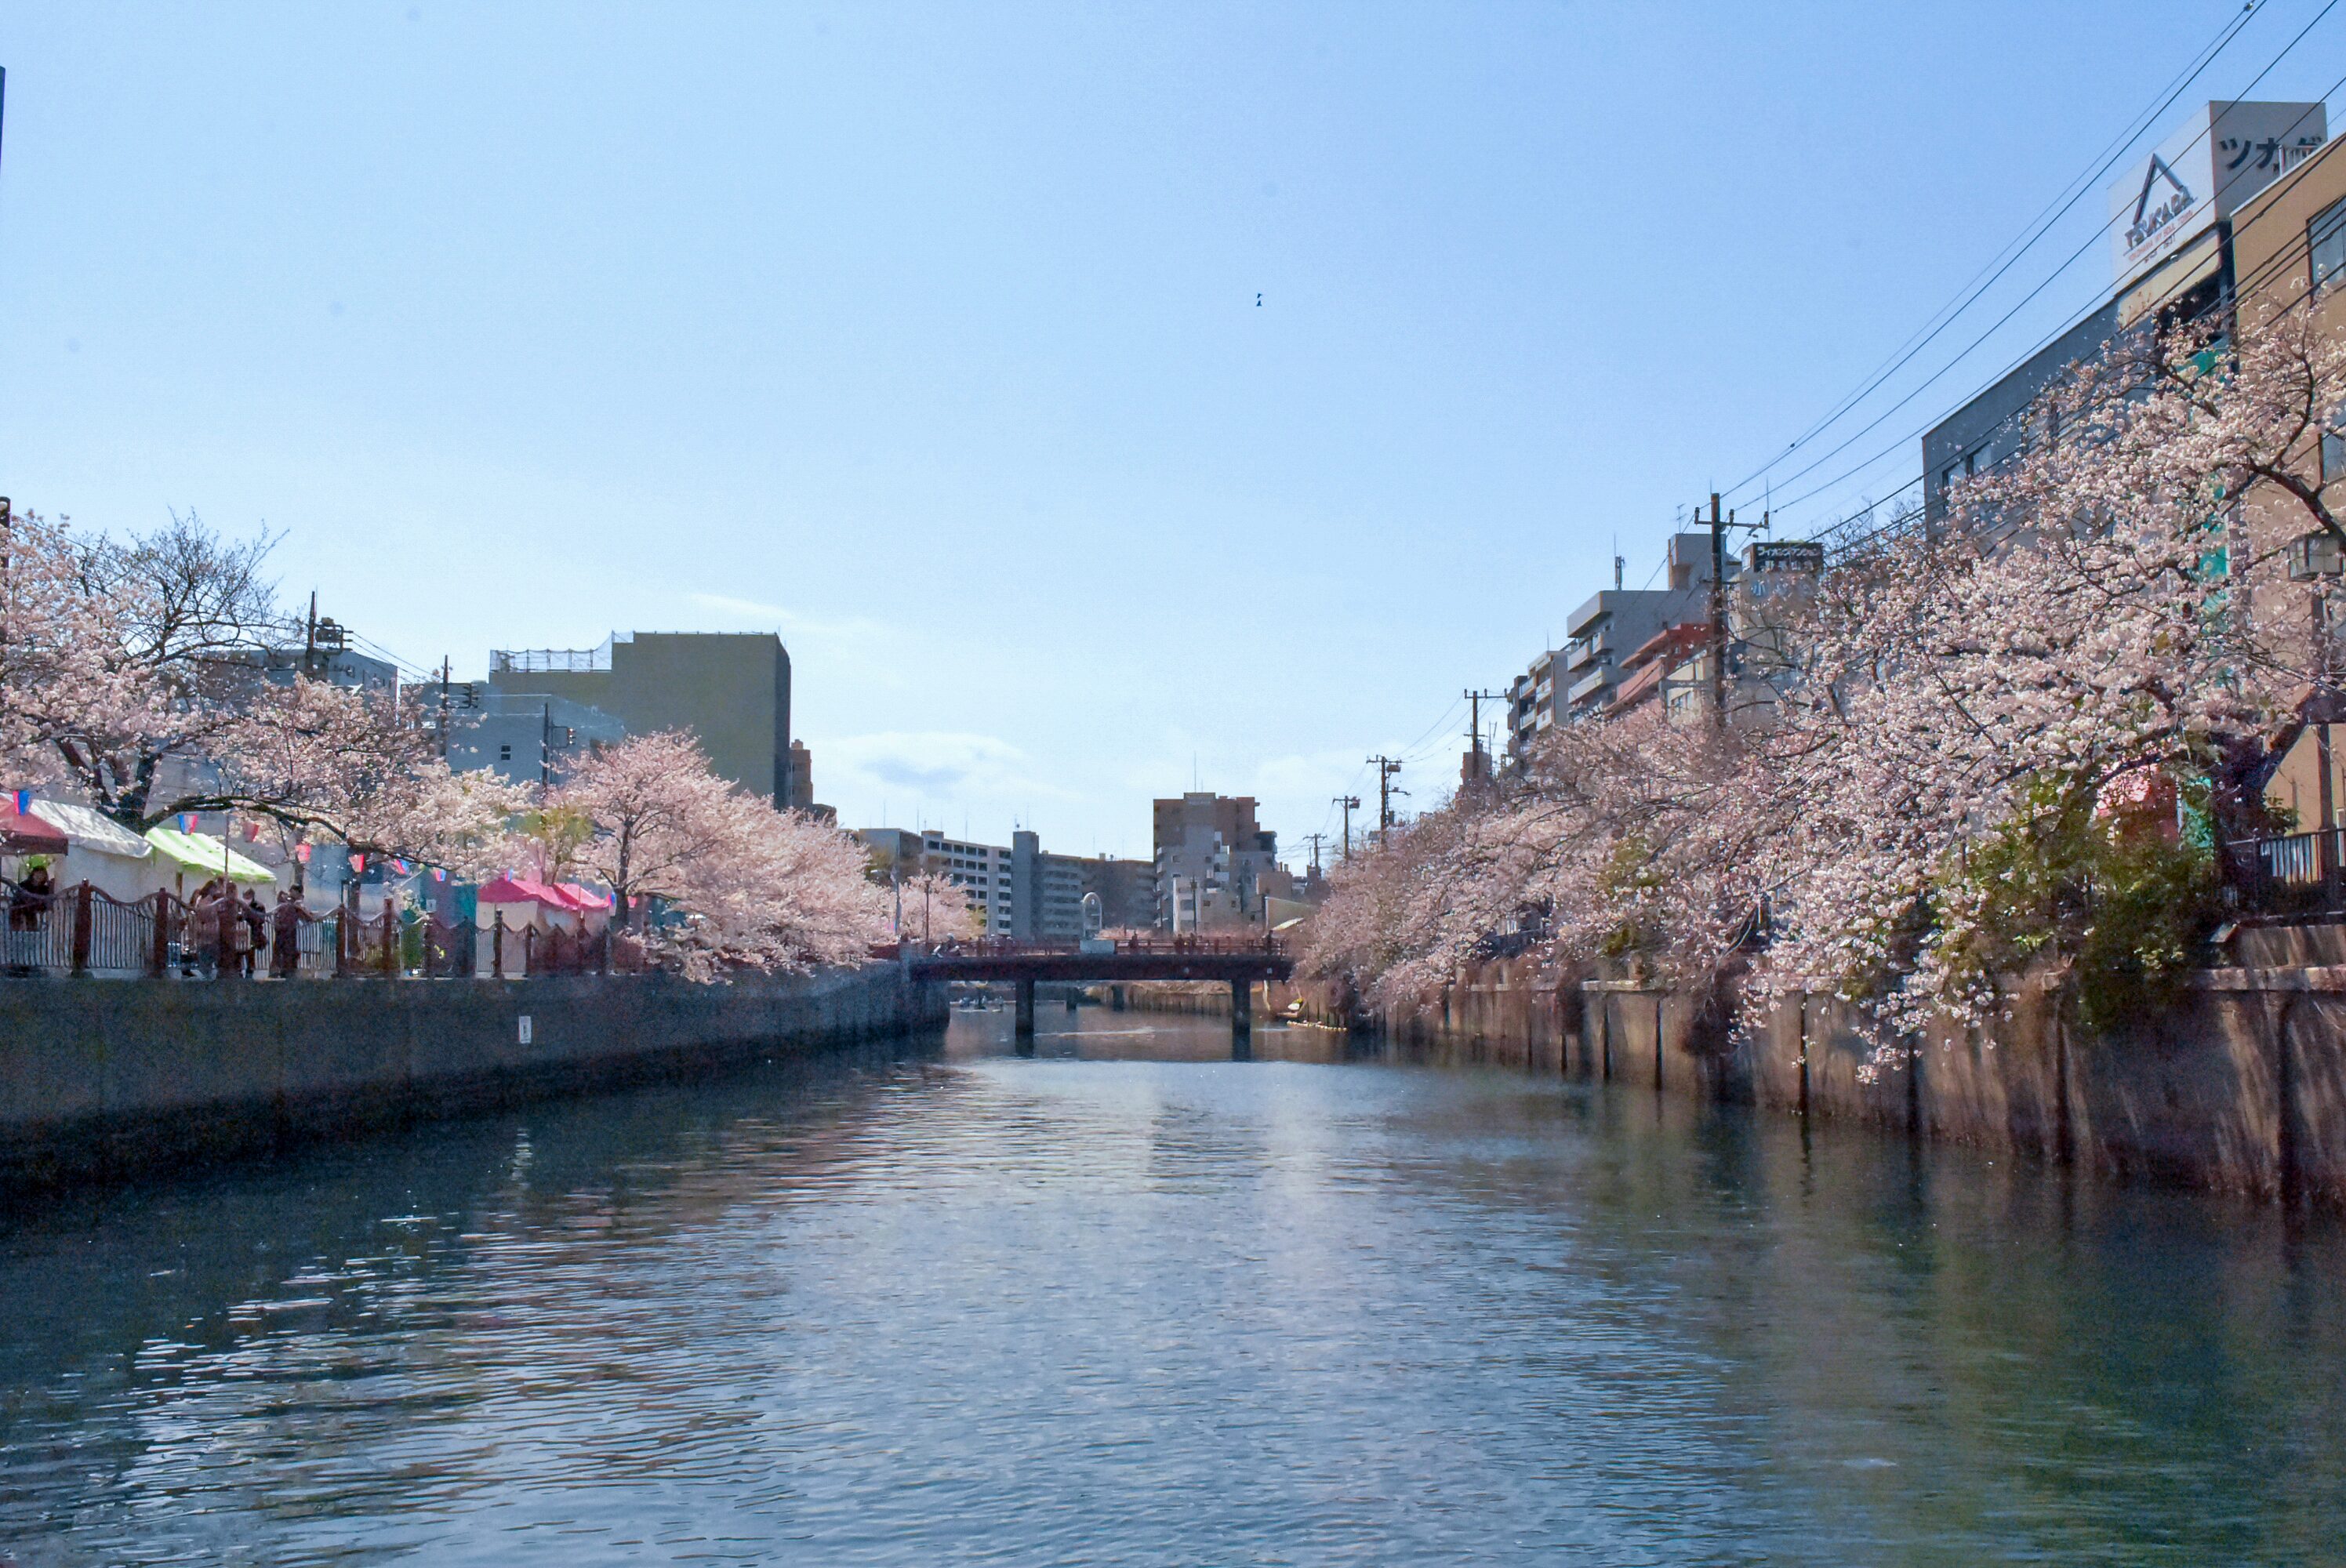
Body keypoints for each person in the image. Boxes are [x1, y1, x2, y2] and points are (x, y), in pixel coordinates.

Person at [270, 890, 303, 979]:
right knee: (283, 951)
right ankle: (280, 969)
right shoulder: (284, 908)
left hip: (286, 934)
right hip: (285, 933)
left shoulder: (290, 907)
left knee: (284, 952)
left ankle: (281, 969)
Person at [240, 889, 267, 978]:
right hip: (242, 931)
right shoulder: (240, 904)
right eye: (245, 895)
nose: (246, 898)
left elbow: (261, 919)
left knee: (250, 950)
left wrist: (249, 912)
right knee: (240, 950)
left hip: (254, 932)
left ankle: (250, 968)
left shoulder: (258, 906)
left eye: (248, 895)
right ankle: (239, 968)